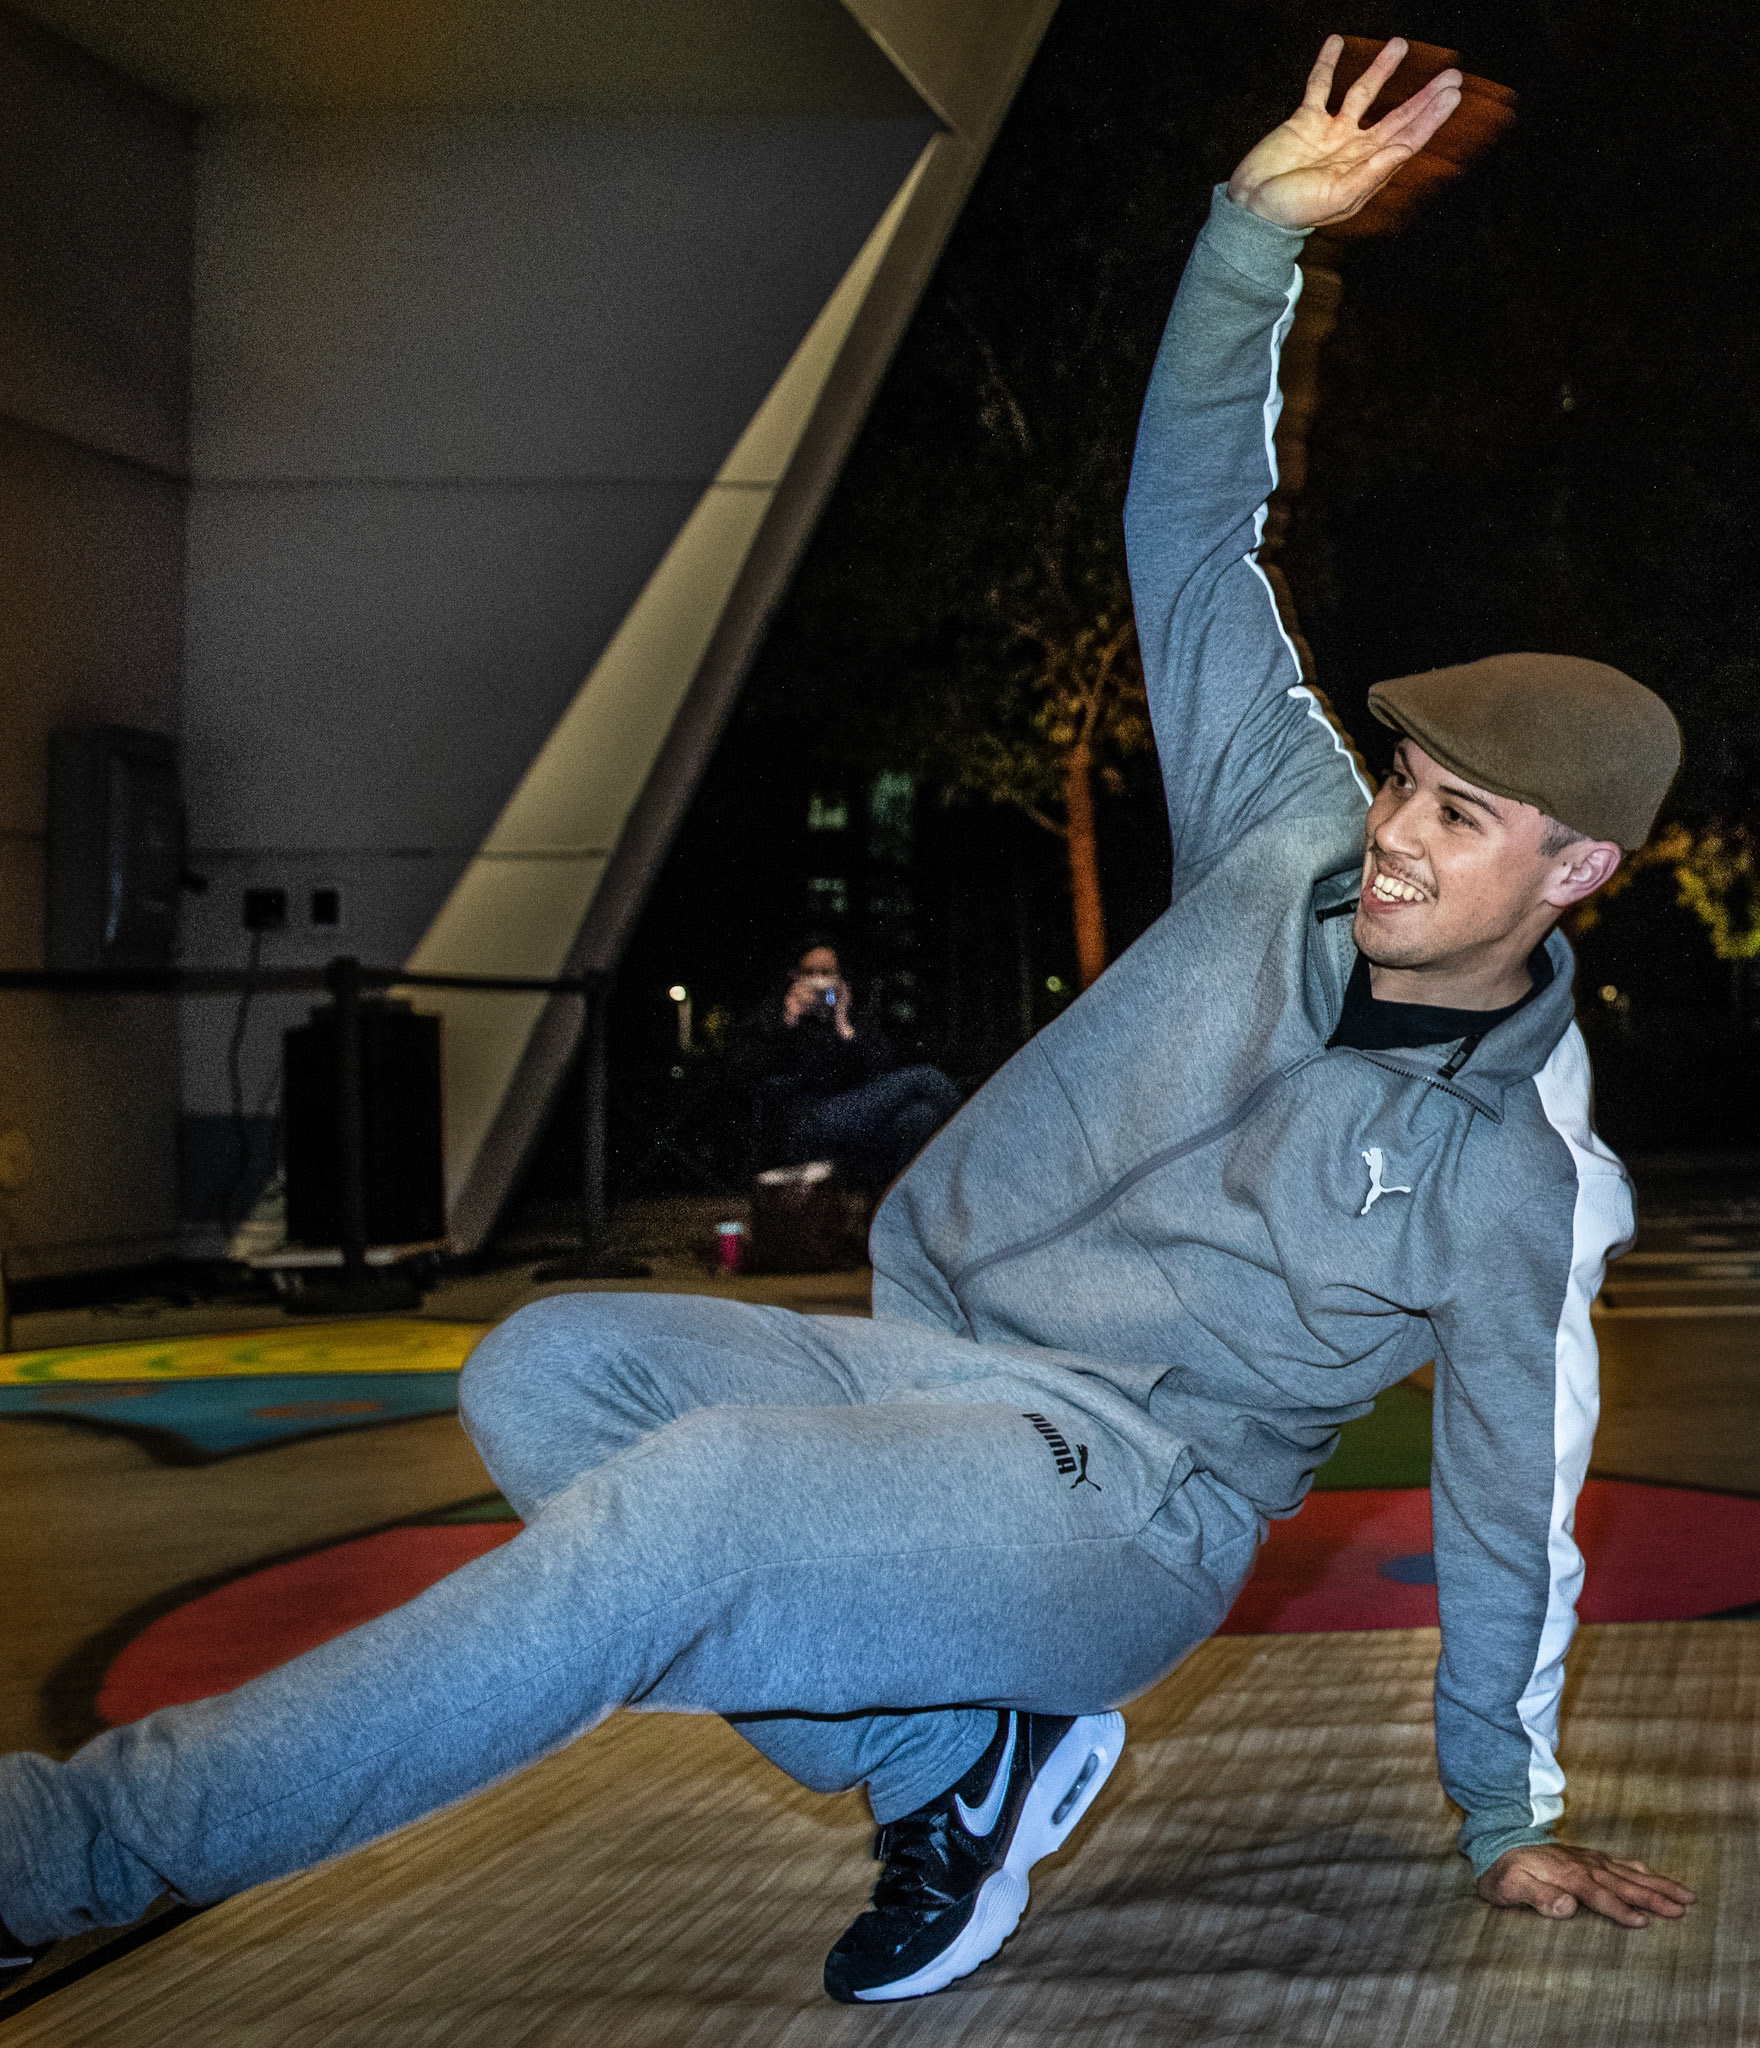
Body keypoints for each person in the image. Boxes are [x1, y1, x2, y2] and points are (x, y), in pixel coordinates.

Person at [0, 36, 1698, 2003]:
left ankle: (68, 1845)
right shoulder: (1285, 837)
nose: (1396, 835)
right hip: (936, 1373)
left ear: (1573, 873)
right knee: (553, 1378)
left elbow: (1509, 1490)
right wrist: (1247, 243)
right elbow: (1191, 540)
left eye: (1460, 821)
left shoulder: (1505, 1181)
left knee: (699, 1516)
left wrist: (1505, 1812)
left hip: (1128, 1504)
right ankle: (952, 1761)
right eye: (1406, 780)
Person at [731, 937, 963, 1188]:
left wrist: (844, 1027)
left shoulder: (853, 1015)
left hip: (854, 1121)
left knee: (920, 1117)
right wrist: (789, 1019)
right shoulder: (775, 1014)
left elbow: (882, 1072)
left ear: (840, 978)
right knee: (924, 1077)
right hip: (804, 1123)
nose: (819, 980)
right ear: (795, 977)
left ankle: (899, 1210)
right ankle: (974, 1143)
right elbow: (743, 1070)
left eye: (826, 972)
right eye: (810, 973)